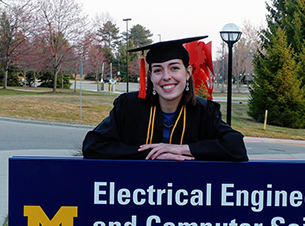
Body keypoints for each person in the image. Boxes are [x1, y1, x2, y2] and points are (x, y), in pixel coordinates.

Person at [82, 36, 248, 161]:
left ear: (188, 72)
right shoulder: (128, 107)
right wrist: (154, 154)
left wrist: (183, 149)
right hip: (133, 195)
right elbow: (92, 146)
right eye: (158, 70)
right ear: (151, 76)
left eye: (174, 68)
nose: (166, 77)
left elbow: (236, 147)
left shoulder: (205, 111)